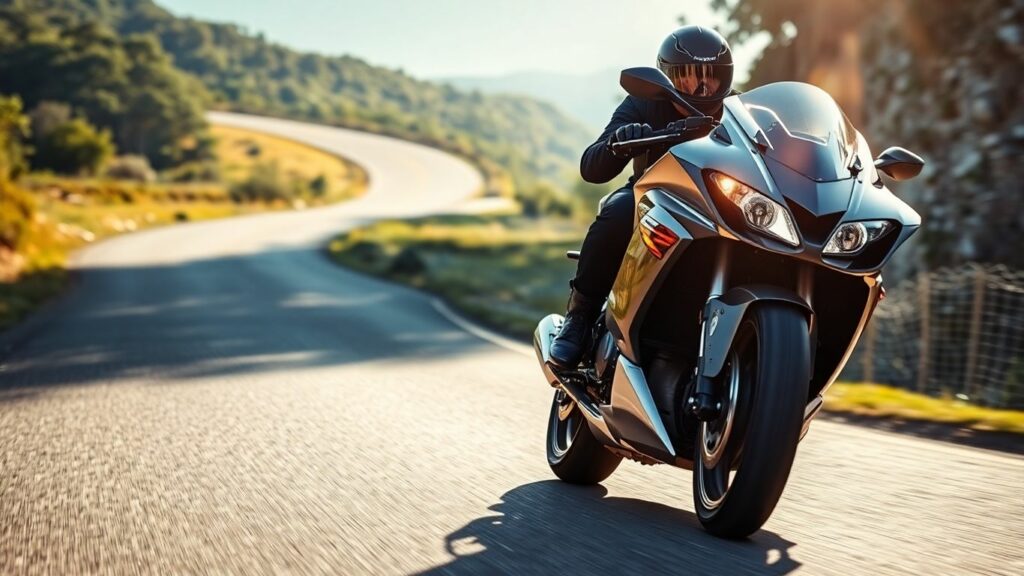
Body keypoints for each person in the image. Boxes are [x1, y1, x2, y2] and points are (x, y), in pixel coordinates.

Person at [548, 25, 735, 369]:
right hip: (654, 196)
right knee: (619, 211)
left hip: (720, 204)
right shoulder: (644, 103)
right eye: (688, 77)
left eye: (711, 76)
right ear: (667, 78)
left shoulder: (738, 109)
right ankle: (580, 318)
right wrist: (621, 140)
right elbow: (591, 167)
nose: (702, 86)